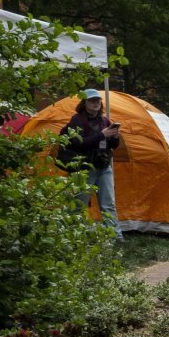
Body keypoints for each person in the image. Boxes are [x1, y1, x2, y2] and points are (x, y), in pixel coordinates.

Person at [60, 89, 123, 241]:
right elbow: (78, 144)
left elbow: (113, 146)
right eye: (92, 100)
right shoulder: (77, 120)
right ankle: (72, 237)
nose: (96, 103)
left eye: (98, 100)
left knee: (108, 205)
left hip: (103, 166)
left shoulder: (105, 120)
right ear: (84, 103)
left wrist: (114, 137)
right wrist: (102, 135)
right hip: (85, 168)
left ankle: (116, 237)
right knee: (78, 205)